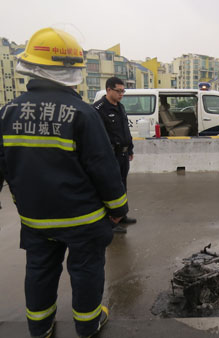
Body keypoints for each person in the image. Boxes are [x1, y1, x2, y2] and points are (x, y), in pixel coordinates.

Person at [0, 27, 128, 338]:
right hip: (82, 218)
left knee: (40, 270)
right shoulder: (82, 113)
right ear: (73, 71)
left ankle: (40, 327)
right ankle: (87, 325)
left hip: (35, 218)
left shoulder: (8, 112)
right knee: (86, 271)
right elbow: (103, 168)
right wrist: (118, 208)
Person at [93, 77, 136, 233]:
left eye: (123, 91)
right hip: (110, 156)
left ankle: (121, 215)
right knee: (110, 188)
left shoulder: (120, 107)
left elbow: (125, 131)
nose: (121, 94)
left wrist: (130, 149)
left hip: (123, 155)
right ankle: (110, 222)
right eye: (118, 91)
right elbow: (97, 136)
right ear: (108, 90)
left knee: (122, 186)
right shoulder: (98, 109)